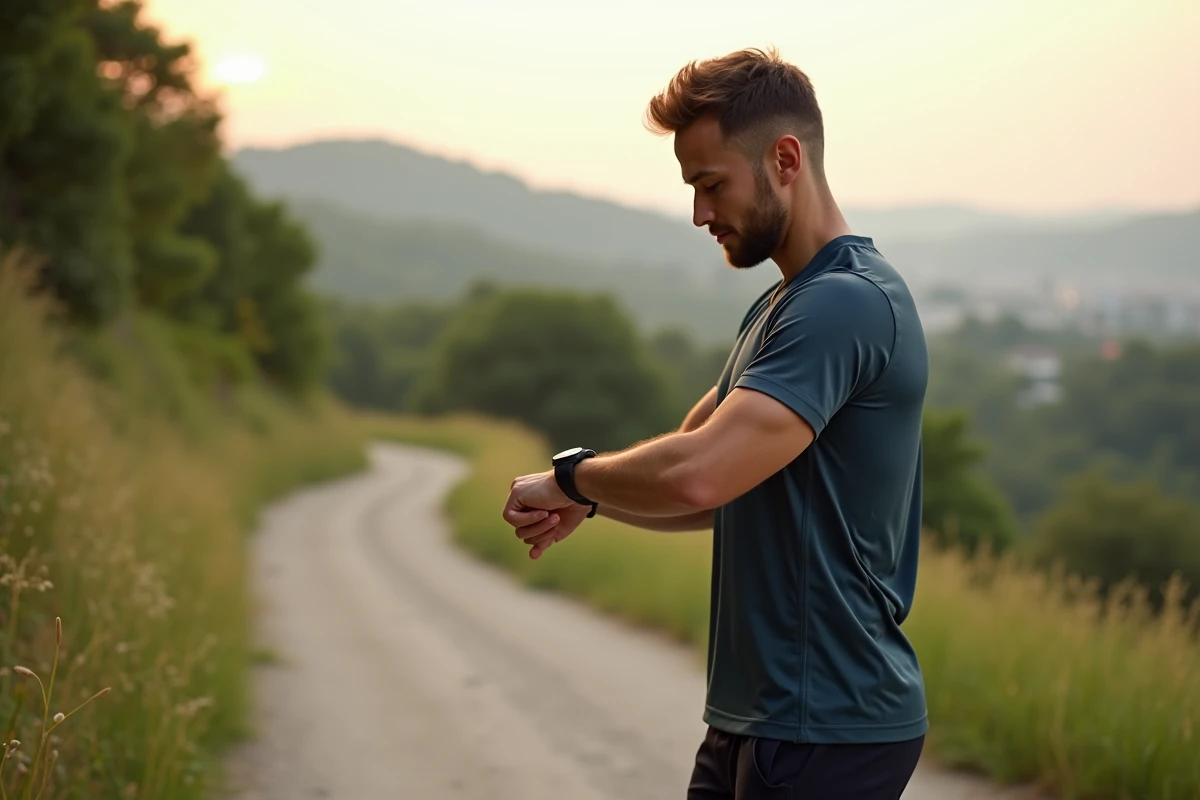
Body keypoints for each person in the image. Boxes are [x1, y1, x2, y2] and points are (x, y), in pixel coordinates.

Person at [501, 46, 929, 799]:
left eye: (711, 185)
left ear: (785, 158)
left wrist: (569, 475)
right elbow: (713, 480)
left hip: (826, 722)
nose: (700, 213)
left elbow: (697, 476)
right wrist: (592, 498)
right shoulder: (780, 307)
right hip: (759, 719)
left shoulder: (844, 304)